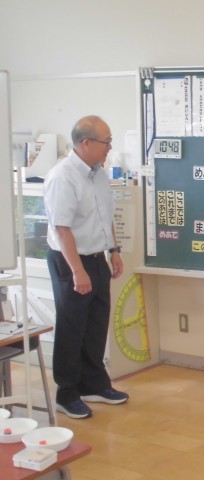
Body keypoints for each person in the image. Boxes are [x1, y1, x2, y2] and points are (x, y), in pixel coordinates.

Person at [44, 115, 129, 419]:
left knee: (96, 323)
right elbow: (62, 228)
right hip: (70, 260)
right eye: (107, 142)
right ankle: (66, 393)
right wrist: (77, 271)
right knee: (72, 326)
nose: (110, 147)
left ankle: (94, 384)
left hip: (97, 257)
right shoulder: (62, 176)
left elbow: (106, 217)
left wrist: (114, 251)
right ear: (86, 143)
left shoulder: (99, 174)